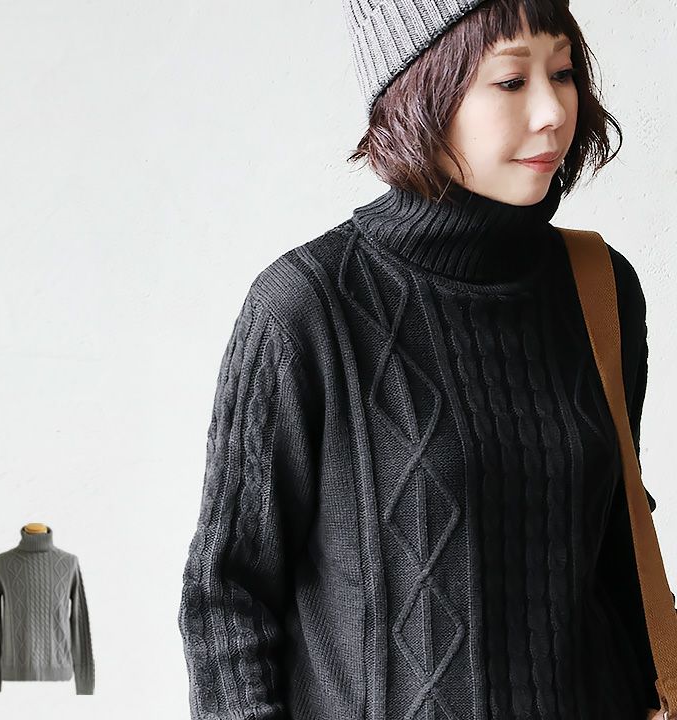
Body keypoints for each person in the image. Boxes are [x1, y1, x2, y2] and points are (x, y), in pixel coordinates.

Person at [178, 1, 667, 718]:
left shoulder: (600, 289)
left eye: (563, 73)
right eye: (511, 81)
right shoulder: (308, 306)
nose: (553, 112)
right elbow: (227, 598)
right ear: (419, 92)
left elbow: (617, 555)